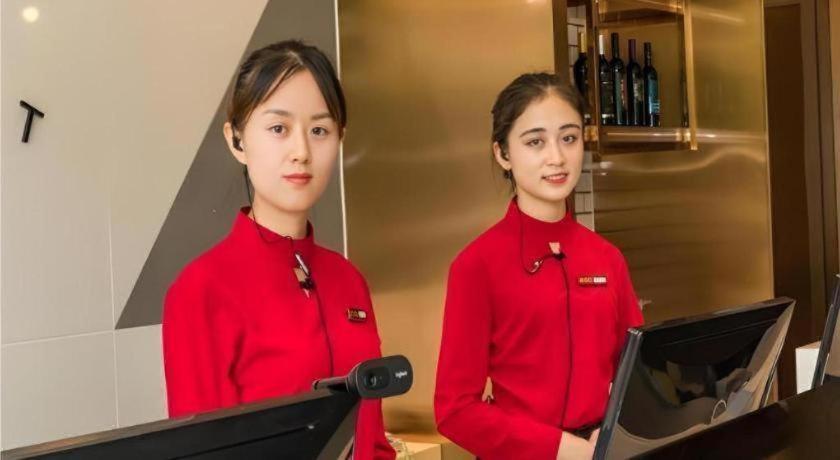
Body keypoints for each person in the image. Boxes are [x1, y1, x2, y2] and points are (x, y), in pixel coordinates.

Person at [162, 40, 395, 459]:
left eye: (319, 130)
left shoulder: (348, 280)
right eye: (278, 129)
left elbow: (373, 441)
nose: (301, 152)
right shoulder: (202, 290)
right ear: (237, 140)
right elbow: (202, 453)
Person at [434, 73, 644, 459]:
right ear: (503, 153)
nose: (557, 158)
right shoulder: (476, 265)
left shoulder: (608, 258)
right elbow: (455, 410)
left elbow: (638, 375)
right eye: (535, 142)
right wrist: (564, 449)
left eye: (569, 138)